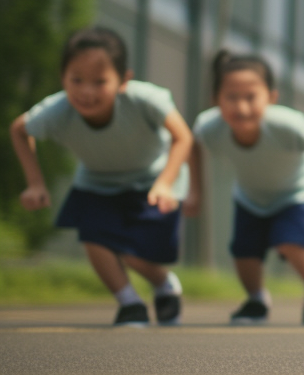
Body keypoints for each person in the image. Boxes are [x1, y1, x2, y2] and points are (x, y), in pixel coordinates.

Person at [9, 27, 196, 327]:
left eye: (100, 81)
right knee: (95, 237)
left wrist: (165, 183)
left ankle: (164, 284)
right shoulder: (57, 110)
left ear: (124, 80)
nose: (86, 91)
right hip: (97, 183)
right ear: (63, 78)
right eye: (77, 80)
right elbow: (19, 129)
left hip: (153, 181)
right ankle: (129, 303)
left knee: (133, 253)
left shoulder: (145, 99)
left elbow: (183, 136)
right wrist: (35, 183)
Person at [194, 50, 304, 328]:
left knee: (291, 241)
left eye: (251, 97)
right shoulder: (210, 126)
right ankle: (256, 300)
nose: (241, 107)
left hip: (300, 192)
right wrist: (195, 191)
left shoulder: (286, 124)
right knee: (244, 253)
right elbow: (192, 146)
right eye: (231, 97)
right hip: (252, 197)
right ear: (215, 99)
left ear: (271, 97)